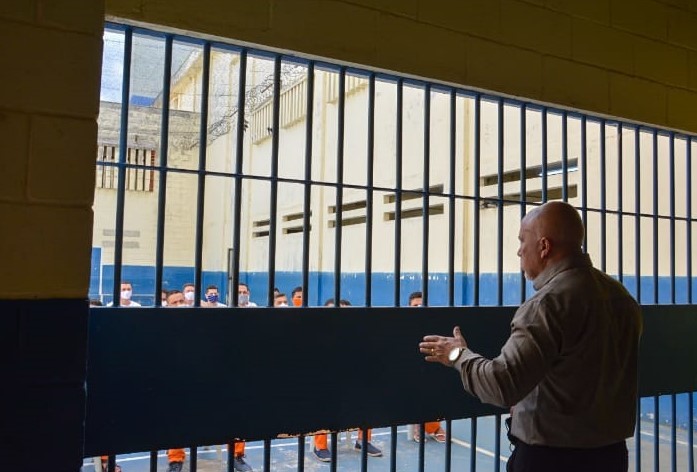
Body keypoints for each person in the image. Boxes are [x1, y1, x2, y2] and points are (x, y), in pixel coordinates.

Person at [419, 201, 642, 472]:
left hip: (552, 460)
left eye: (522, 241)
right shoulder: (621, 297)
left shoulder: (548, 305)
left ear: (544, 247)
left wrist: (457, 355)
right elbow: (582, 372)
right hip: (611, 456)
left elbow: (502, 384)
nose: (519, 251)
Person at [164, 290, 253, 472]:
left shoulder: (201, 319)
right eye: (175, 302)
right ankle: (175, 459)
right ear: (167, 305)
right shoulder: (165, 326)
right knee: (176, 417)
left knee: (234, 412)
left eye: (182, 300)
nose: (180, 304)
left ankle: (237, 456)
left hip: (209, 376)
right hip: (180, 379)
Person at [311, 298, 382, 462]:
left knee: (368, 396)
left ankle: (363, 441)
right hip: (325, 383)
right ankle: (319, 446)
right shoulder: (317, 334)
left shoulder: (357, 335)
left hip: (350, 382)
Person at [408, 291, 446, 443]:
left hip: (428, 363)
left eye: (421, 305)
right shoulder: (404, 323)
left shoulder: (432, 323)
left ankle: (433, 426)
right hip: (409, 367)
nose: (418, 308)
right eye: (415, 305)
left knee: (433, 386)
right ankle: (419, 424)